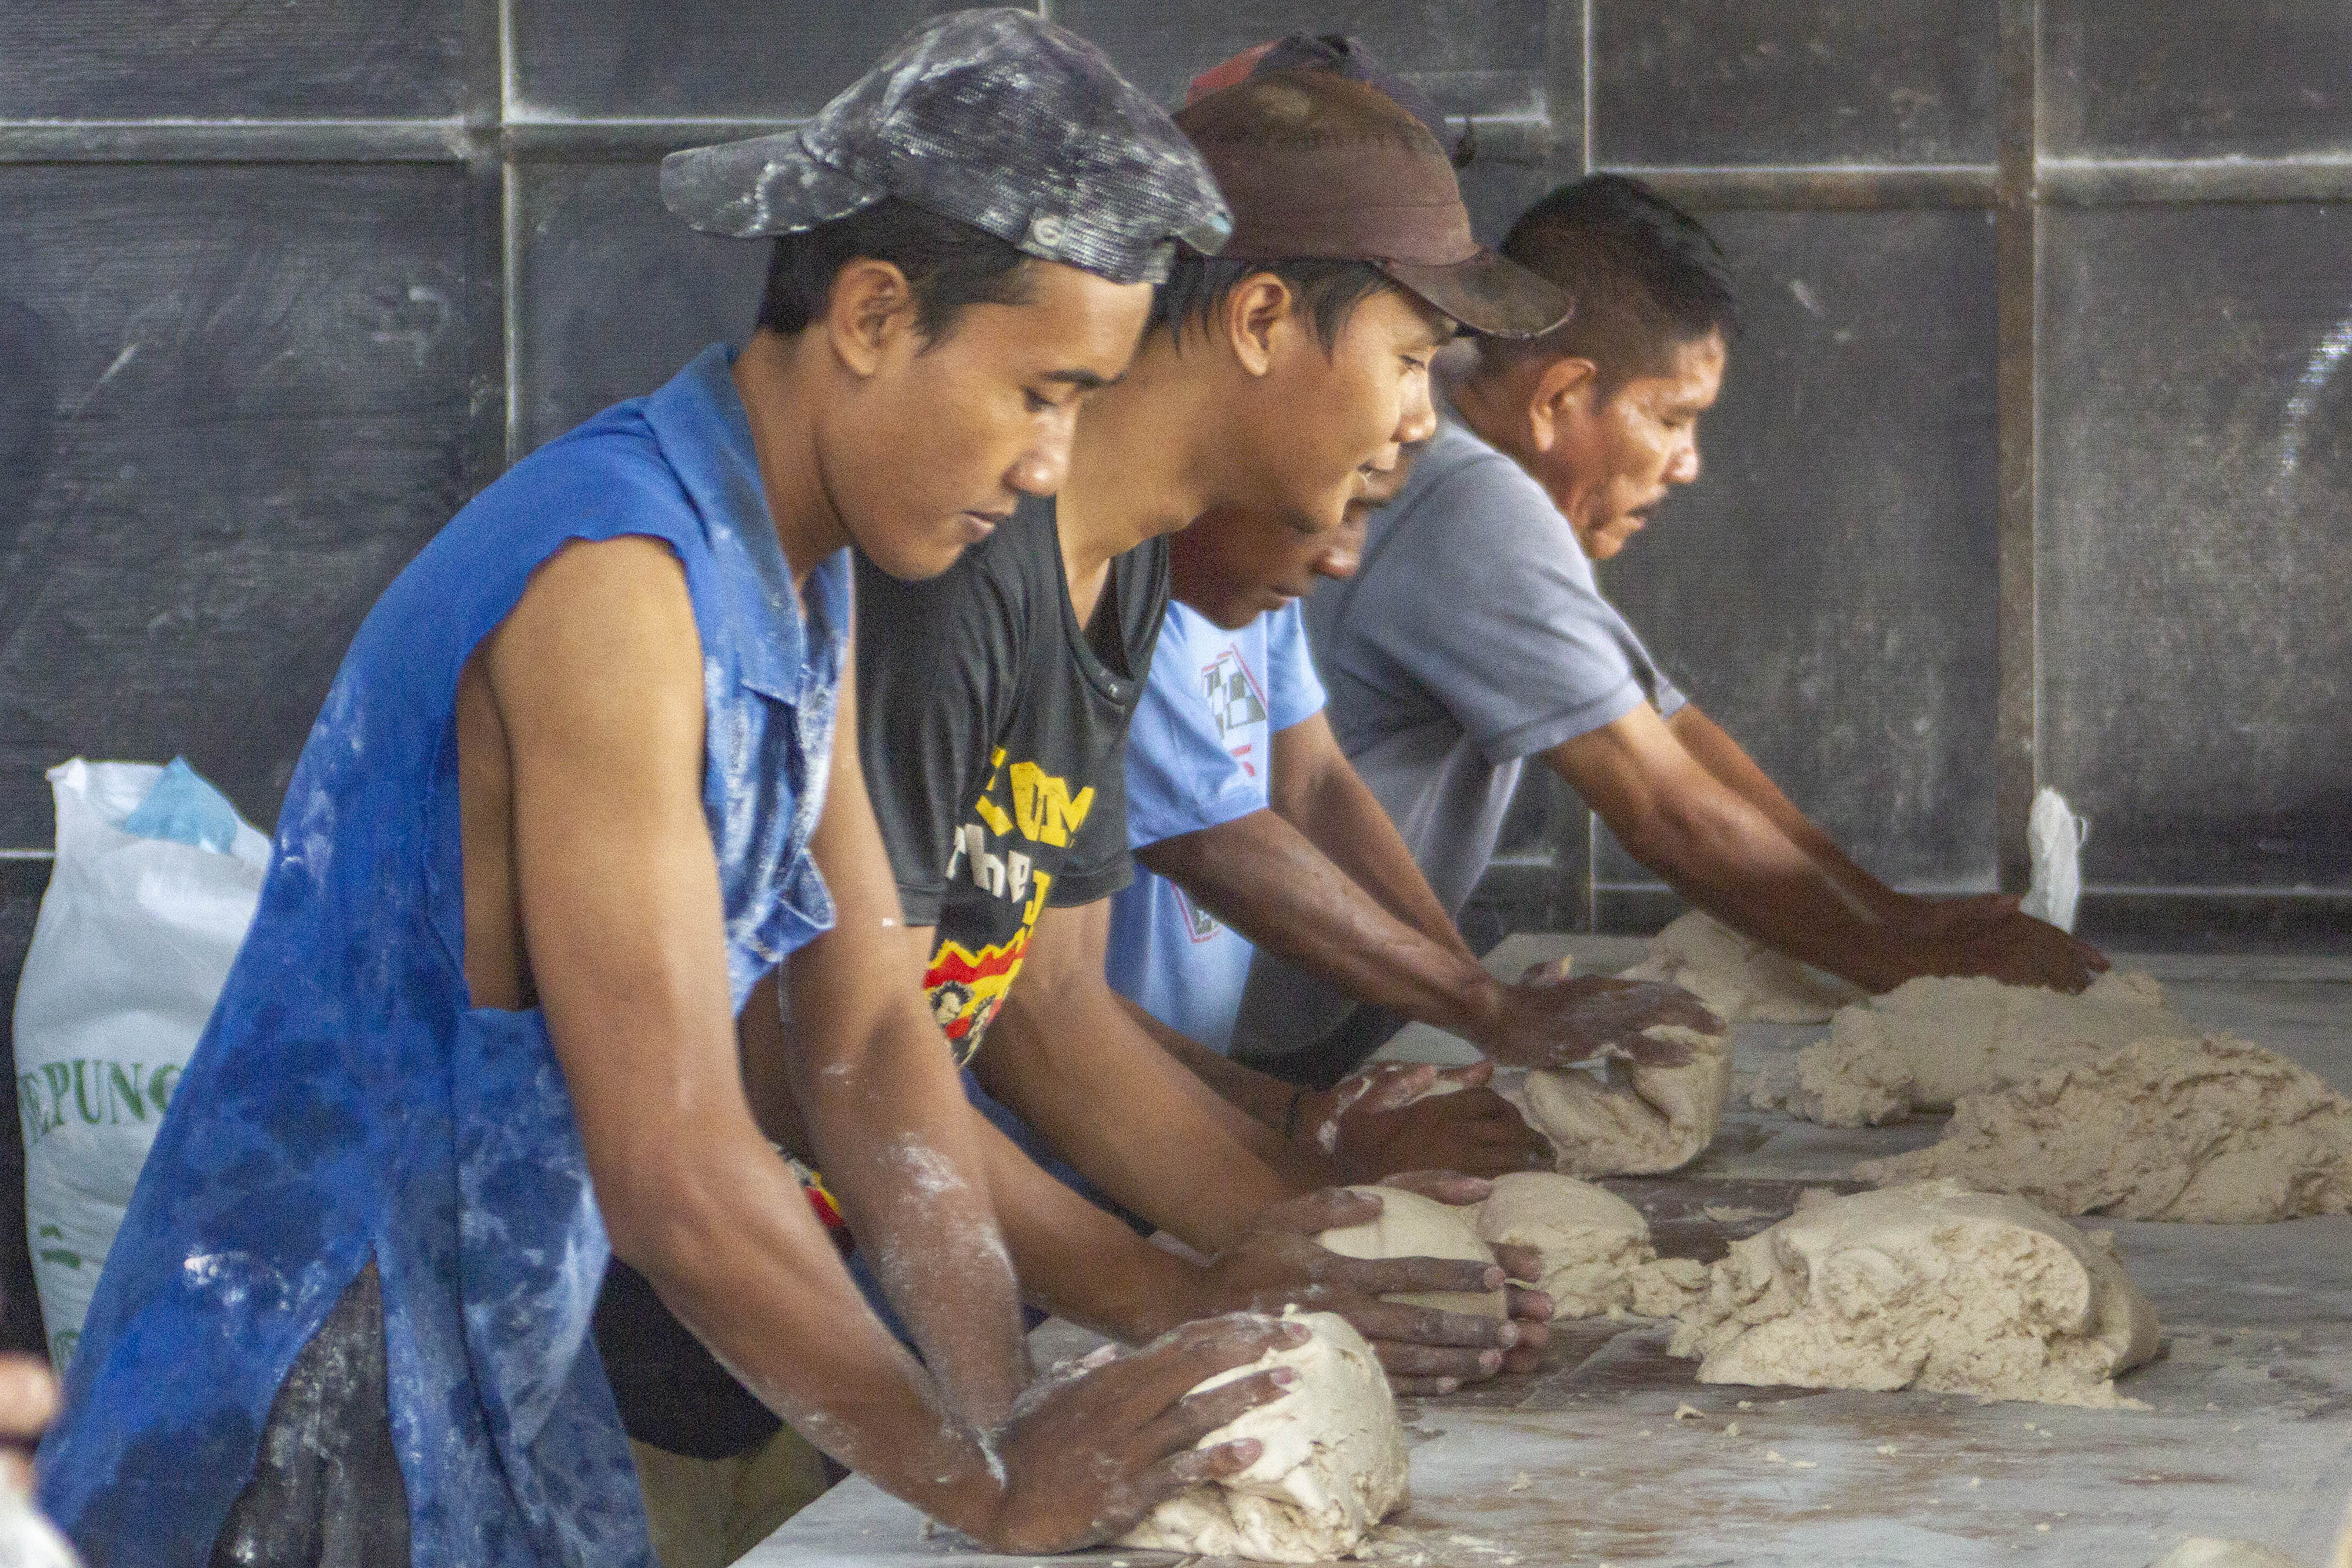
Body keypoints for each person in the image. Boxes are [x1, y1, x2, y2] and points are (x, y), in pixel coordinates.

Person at [36, 14, 1304, 1566]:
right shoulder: (618, 584)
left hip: (492, 1350)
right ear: (871, 315)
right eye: (1040, 390)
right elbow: (675, 1163)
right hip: (306, 1395)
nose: (1052, 463)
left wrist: (996, 1416)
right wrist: (980, 1484)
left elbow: (863, 1042)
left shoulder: (800, 576)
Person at [1232, 173, 2109, 1086]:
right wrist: (1913, 973)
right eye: (1671, 417)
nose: (1687, 464)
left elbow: (1666, 728)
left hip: (1329, 993)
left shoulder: (1462, 442)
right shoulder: (1467, 495)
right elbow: (1666, 812)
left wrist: (1894, 917)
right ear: (1560, 395)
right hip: (1261, 1024)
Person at [1105, 37, 1715, 1178]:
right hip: (1108, 1135)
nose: (1424, 418)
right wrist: (1461, 1020)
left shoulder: (1277, 506)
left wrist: (1478, 1000)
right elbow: (1206, 850)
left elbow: (1311, 777)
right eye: (1406, 356)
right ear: (1258, 315)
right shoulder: (1110, 555)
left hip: (1179, 1095)